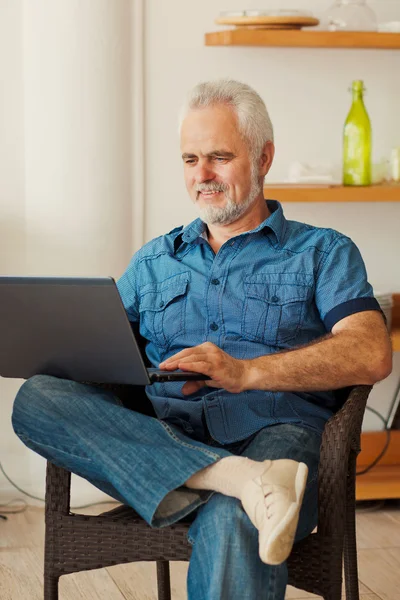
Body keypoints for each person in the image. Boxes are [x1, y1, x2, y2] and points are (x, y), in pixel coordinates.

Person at [12, 79, 392, 600]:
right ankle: (235, 478)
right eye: (190, 159)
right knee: (36, 398)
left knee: (236, 519)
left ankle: (239, 485)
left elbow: (371, 351)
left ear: (264, 157)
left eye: (218, 157)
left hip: (278, 434)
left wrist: (246, 372)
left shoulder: (322, 252)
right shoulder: (152, 262)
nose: (202, 176)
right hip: (169, 435)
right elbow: (95, 359)